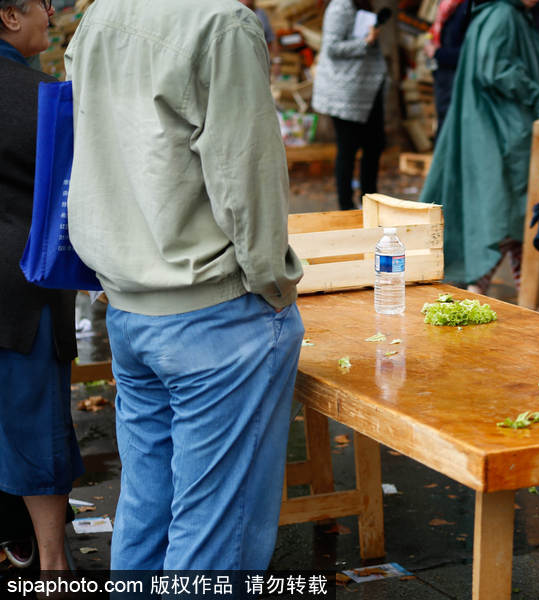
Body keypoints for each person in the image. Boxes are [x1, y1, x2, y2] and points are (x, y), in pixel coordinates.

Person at [65, 0, 304, 570]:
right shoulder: (221, 23)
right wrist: (273, 283)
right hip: (211, 308)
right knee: (214, 527)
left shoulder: (100, 16)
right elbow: (246, 175)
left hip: (129, 301)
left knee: (147, 505)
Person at [0, 0, 82, 571]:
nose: (50, 17)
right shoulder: (41, 96)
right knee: (35, 423)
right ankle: (52, 566)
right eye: (42, 7)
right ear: (10, 16)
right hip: (23, 286)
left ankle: (20, 545)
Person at [421, 0, 539, 294]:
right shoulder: (503, 14)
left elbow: (513, 64)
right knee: (505, 216)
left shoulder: (508, 13)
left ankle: (523, 298)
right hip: (499, 131)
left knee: (514, 218)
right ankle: (484, 290)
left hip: (497, 127)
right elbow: (496, 69)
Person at [312, 0, 388, 211]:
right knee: (348, 149)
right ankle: (345, 206)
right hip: (345, 94)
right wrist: (366, 41)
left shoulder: (361, 4)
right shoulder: (340, 7)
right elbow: (332, 48)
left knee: (374, 146)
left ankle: (370, 202)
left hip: (368, 90)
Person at [424, 0, 468, 138]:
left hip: (456, 81)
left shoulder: (466, 8)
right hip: (444, 79)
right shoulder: (446, 8)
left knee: (451, 130)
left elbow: (469, 53)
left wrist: (437, 53)